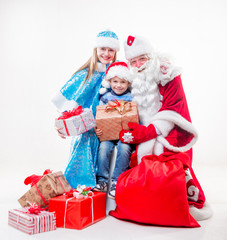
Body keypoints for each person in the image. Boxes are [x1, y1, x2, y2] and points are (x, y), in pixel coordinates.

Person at [117, 35, 212, 221]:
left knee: (170, 168)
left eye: (142, 59)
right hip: (147, 134)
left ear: (151, 57)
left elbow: (174, 108)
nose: (138, 65)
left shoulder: (168, 74)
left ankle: (172, 201)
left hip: (172, 133)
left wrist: (148, 132)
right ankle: (149, 200)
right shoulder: (132, 80)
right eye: (133, 61)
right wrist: (130, 130)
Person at [51, 30, 120, 189]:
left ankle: (107, 186)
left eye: (110, 50)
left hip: (110, 125)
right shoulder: (85, 74)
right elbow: (71, 101)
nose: (106, 53)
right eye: (103, 49)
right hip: (88, 127)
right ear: (96, 49)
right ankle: (82, 189)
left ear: (115, 52)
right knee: (85, 146)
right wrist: (62, 124)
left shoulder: (117, 72)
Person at [94, 62, 133, 199]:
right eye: (115, 81)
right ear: (109, 81)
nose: (118, 85)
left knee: (124, 148)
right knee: (104, 148)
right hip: (109, 135)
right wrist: (98, 129)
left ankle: (117, 181)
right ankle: (102, 181)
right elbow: (100, 117)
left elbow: (136, 117)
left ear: (128, 83)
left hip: (126, 135)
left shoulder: (132, 98)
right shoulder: (105, 98)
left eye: (123, 82)